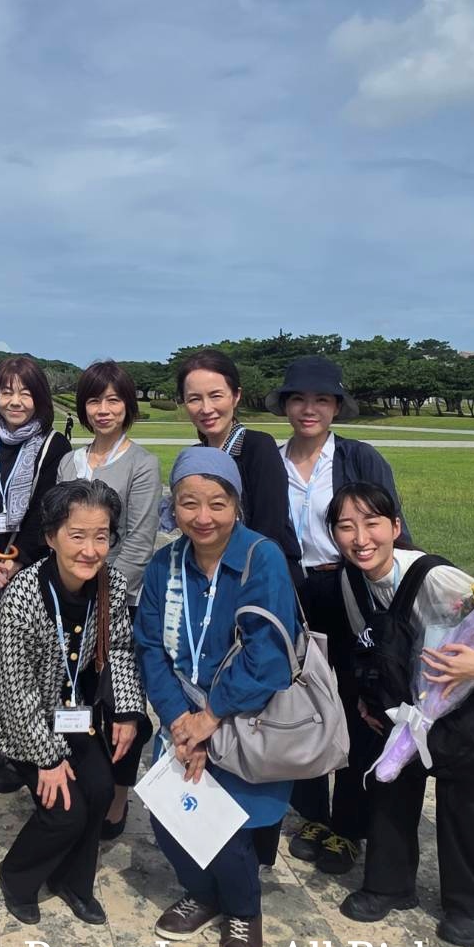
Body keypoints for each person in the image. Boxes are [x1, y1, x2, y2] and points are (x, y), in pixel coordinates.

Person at [329, 482, 474, 947]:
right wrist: (367, 698)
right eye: (345, 527)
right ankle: (389, 885)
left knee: (468, 804)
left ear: (395, 527)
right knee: (392, 781)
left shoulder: (436, 579)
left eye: (372, 523)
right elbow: (374, 646)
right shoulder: (350, 581)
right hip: (425, 703)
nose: (360, 539)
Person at [134, 447, 297, 947]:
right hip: (181, 715)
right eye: (189, 503)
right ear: (174, 507)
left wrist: (212, 717)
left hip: (245, 713)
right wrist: (180, 720)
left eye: (217, 504)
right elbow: (150, 648)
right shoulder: (165, 564)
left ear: (236, 505)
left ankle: (243, 910)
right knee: (170, 814)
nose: (203, 517)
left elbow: (268, 653)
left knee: (229, 826)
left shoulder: (260, 558)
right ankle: (201, 895)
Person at [267, 356, 412, 875]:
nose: (309, 409)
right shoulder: (271, 461)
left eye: (321, 400)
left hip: (351, 586)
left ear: (335, 406)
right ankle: (313, 812)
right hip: (293, 590)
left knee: (358, 703)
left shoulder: (357, 457)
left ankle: (350, 823)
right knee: (301, 699)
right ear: (286, 405)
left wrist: (400, 593)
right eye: (299, 399)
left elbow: (388, 525)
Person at [0, 479, 143, 926]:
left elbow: (120, 648)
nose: (90, 550)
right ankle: (17, 878)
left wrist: (127, 711)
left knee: (101, 789)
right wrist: (48, 760)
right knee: (65, 811)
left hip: (72, 711)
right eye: (77, 536)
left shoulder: (110, 584)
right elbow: (15, 690)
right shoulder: (23, 596)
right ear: (51, 537)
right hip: (21, 719)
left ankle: (73, 881)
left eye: (101, 536)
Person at [178, 349, 301, 866]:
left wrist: (237, 589)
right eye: (194, 398)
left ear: (236, 396)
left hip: (258, 590)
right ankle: (217, 837)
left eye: (216, 395)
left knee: (255, 711)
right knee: (219, 706)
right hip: (212, 592)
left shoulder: (258, 448)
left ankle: (255, 848)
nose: (206, 407)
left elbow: (268, 530)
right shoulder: (196, 454)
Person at [0, 356, 72, 788]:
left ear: (39, 398)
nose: (15, 401)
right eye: (6, 391)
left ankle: (21, 750)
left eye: (25, 392)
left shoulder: (51, 445)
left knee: (24, 661)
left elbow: (48, 512)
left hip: (30, 568)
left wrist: (14, 561)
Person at [56, 360, 162, 838]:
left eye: (114, 400)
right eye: (95, 400)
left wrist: (103, 597)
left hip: (120, 604)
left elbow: (138, 540)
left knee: (123, 702)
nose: (104, 409)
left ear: (127, 406)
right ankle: (82, 780)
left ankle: (118, 797)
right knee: (76, 696)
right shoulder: (70, 462)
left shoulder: (142, 464)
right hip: (71, 600)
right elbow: (60, 530)